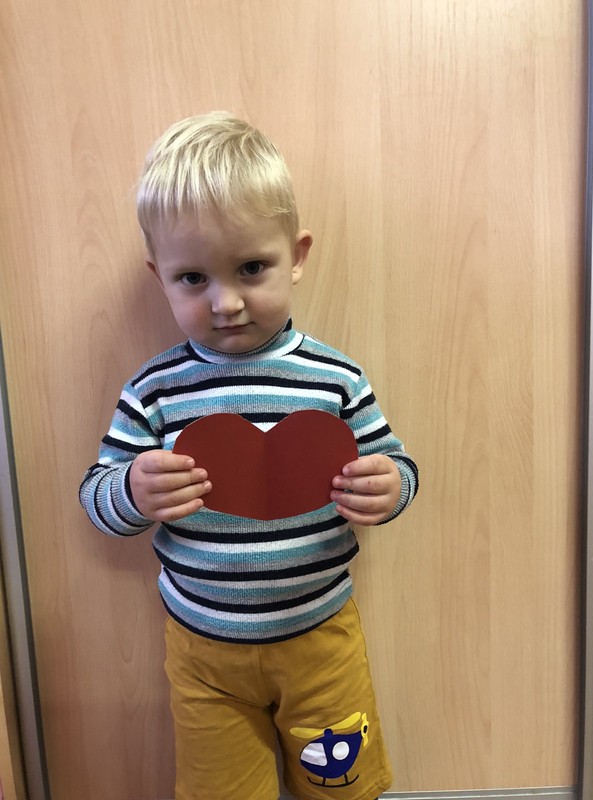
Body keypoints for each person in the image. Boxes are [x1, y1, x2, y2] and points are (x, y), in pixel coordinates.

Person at [79, 112, 419, 800]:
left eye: (251, 268)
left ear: (296, 255)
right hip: (204, 656)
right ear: (159, 276)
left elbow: (395, 463)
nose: (226, 302)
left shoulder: (336, 380)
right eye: (192, 278)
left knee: (340, 786)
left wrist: (390, 486)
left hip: (320, 639)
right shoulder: (154, 391)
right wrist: (133, 493)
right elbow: (96, 496)